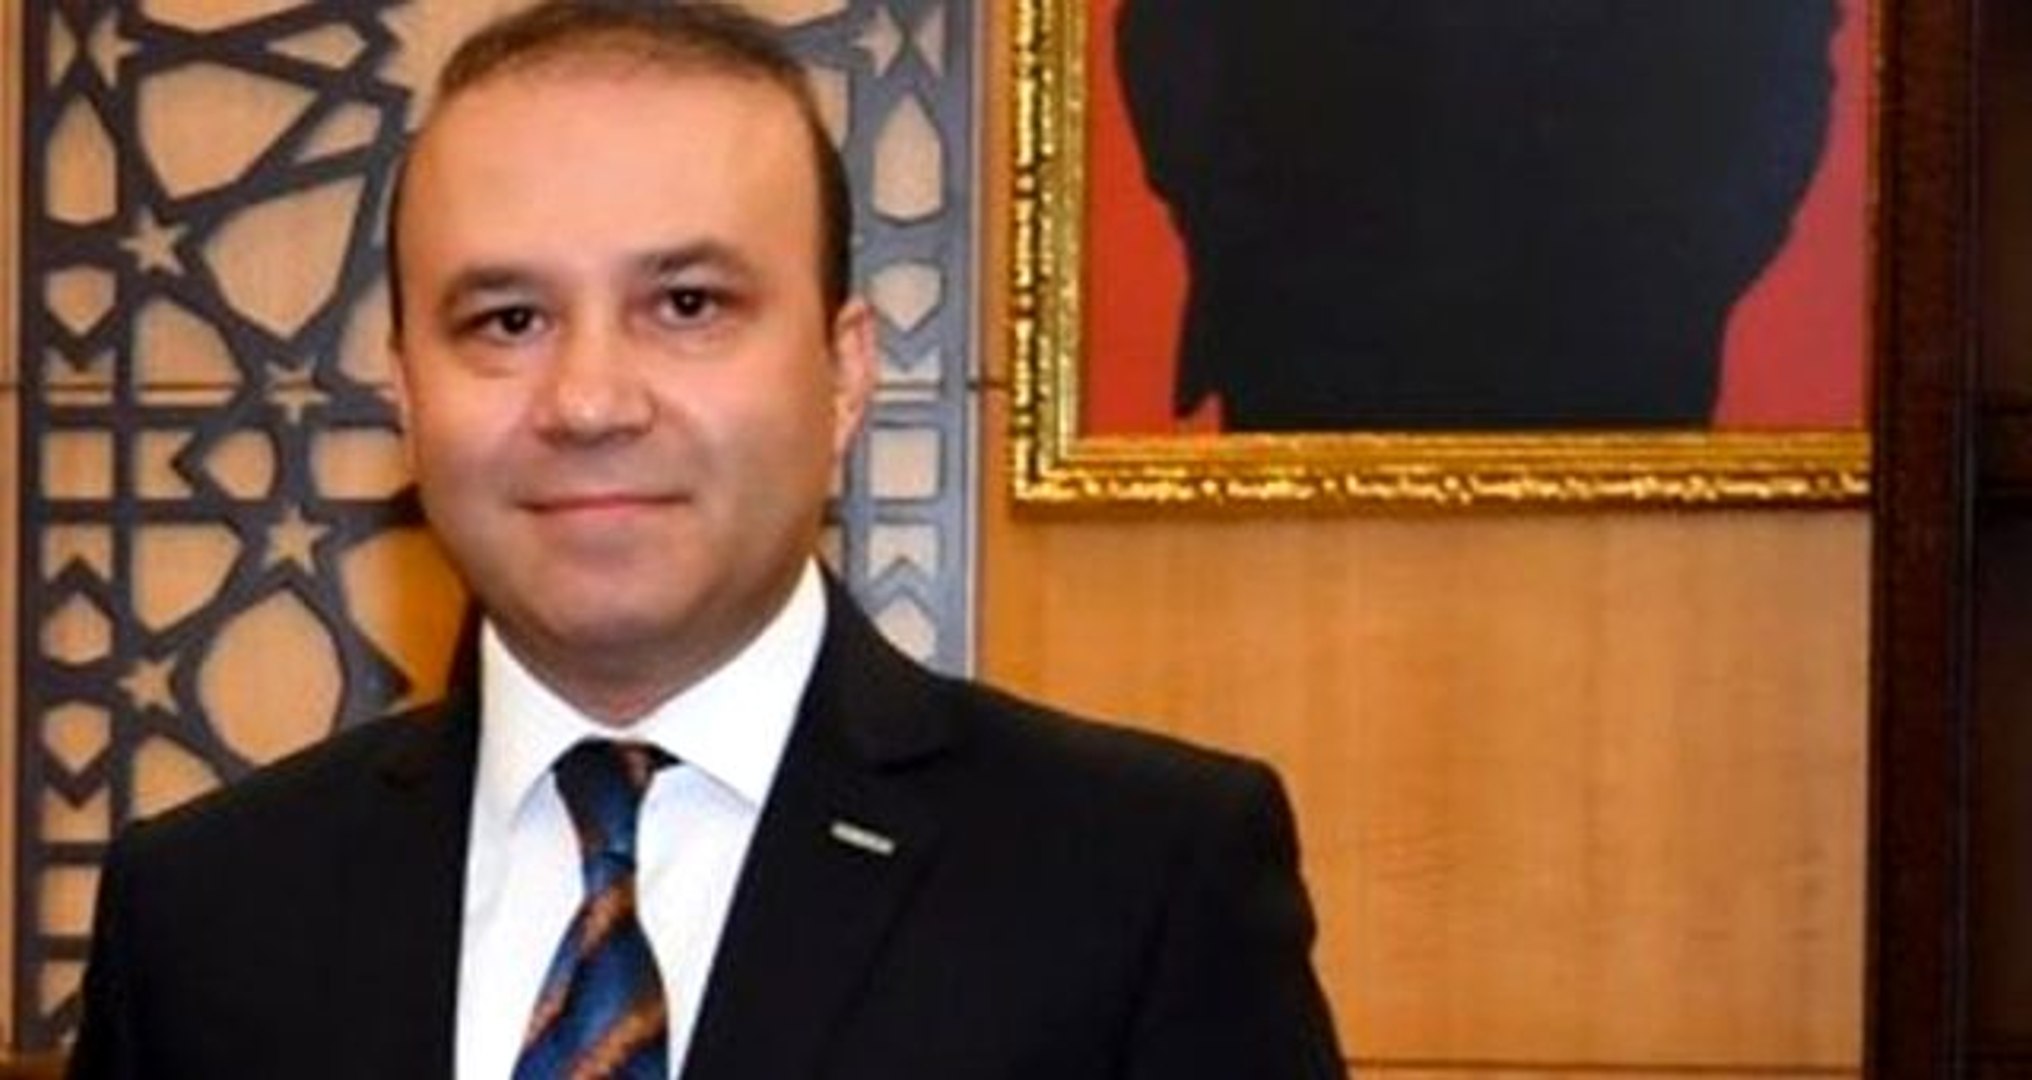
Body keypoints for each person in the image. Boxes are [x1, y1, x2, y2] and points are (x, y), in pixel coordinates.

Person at [66, 3, 1345, 1078]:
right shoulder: (203, 914)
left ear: (843, 374)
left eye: (686, 304)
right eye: (507, 320)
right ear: (406, 393)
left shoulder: (1138, 885)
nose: (589, 402)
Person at [1116, 0, 1839, 430]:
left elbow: (1782, 61)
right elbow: (1169, 40)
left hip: (1616, 363)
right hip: (1311, 356)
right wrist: (1256, 256)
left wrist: (1675, 282)